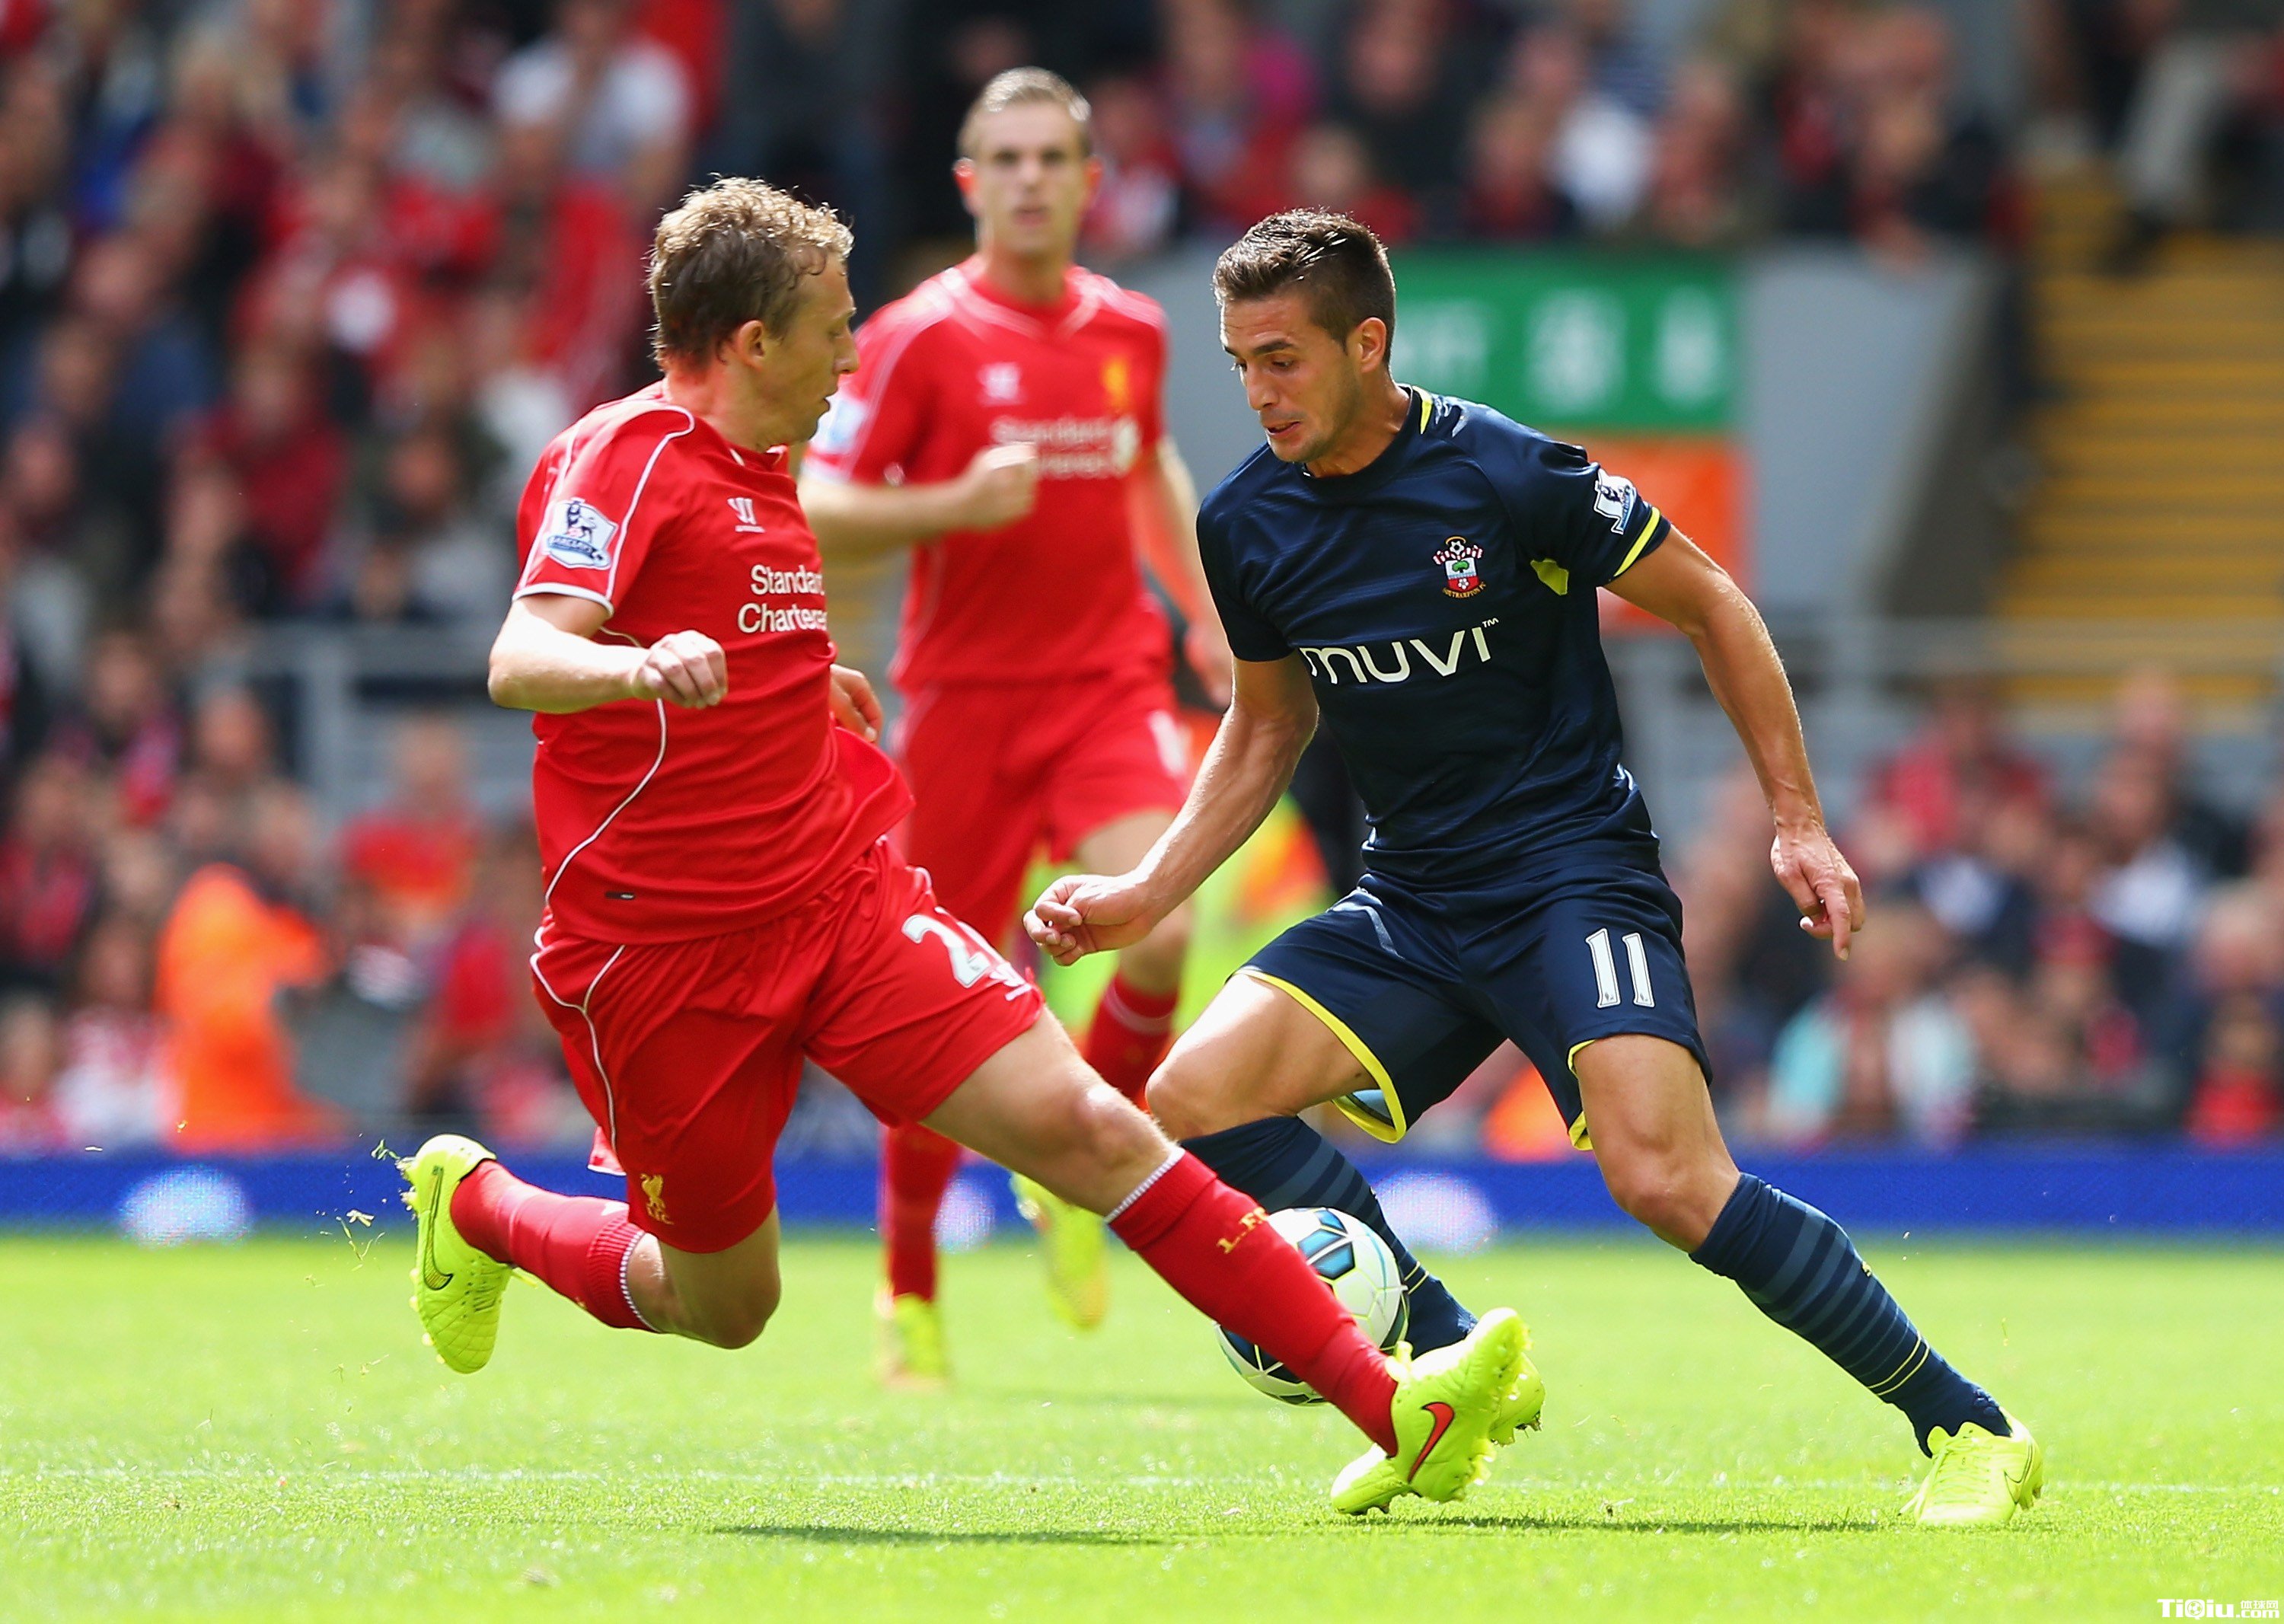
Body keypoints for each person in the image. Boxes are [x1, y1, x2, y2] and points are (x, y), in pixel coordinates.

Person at [399, 178, 1534, 1517]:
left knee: (1092, 1128)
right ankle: (480, 1209)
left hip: (839, 903)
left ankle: (1395, 1404)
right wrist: (641, 666)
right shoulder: (625, 455)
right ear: (754, 343)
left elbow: (736, 610)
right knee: (724, 1301)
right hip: (663, 954)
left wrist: (791, 686)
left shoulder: (771, 468)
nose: (850, 355)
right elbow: (523, 654)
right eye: (832, 327)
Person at [1029, 209, 2043, 1528]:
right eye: (1239, 363)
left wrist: (1797, 818)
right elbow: (1269, 723)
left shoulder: (1505, 472)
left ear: (1367, 343)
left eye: (1282, 358)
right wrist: (1147, 892)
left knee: (1666, 1178)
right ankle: (1450, 1357)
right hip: (1412, 897)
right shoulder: (1247, 523)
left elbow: (1713, 602)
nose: (1258, 390)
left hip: (1572, 877)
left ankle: (1970, 1426)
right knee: (1196, 1098)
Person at [799, 69, 1227, 1382]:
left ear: (1092, 183)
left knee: (1161, 927)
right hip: (967, 703)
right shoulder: (918, 336)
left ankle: (1076, 1163)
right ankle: (909, 1284)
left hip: (1106, 683)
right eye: (1008, 158)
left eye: (1054, 158)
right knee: (944, 1001)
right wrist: (949, 506)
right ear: (971, 182)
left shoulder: (1131, 328)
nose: (1032, 179)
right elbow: (818, 498)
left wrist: (1206, 615)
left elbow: (1146, 461)